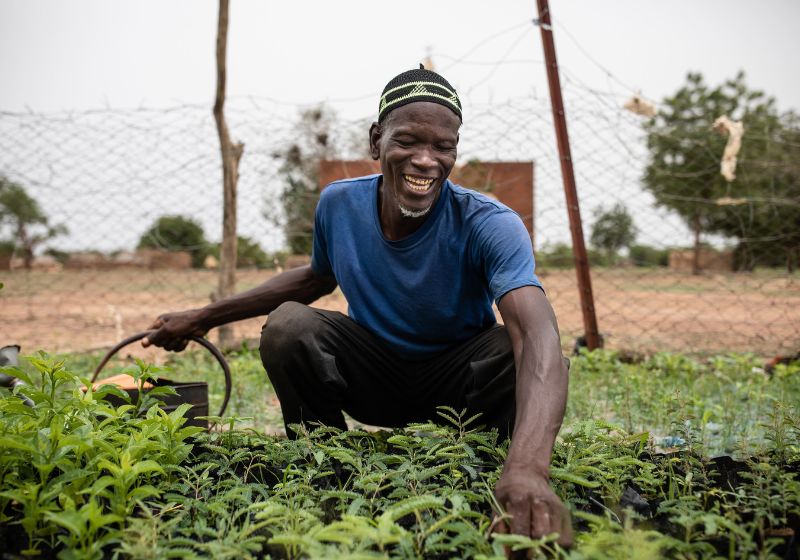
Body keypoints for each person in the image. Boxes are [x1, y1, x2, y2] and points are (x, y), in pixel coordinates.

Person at [143, 66, 573, 546]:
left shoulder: (490, 222)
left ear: (455, 150)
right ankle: (324, 466)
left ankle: (496, 470)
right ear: (376, 141)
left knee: (522, 349)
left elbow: (537, 334)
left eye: (443, 146)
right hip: (373, 376)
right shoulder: (338, 205)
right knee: (288, 326)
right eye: (408, 140)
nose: (426, 160)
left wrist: (531, 468)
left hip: (460, 390)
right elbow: (315, 279)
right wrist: (200, 317)